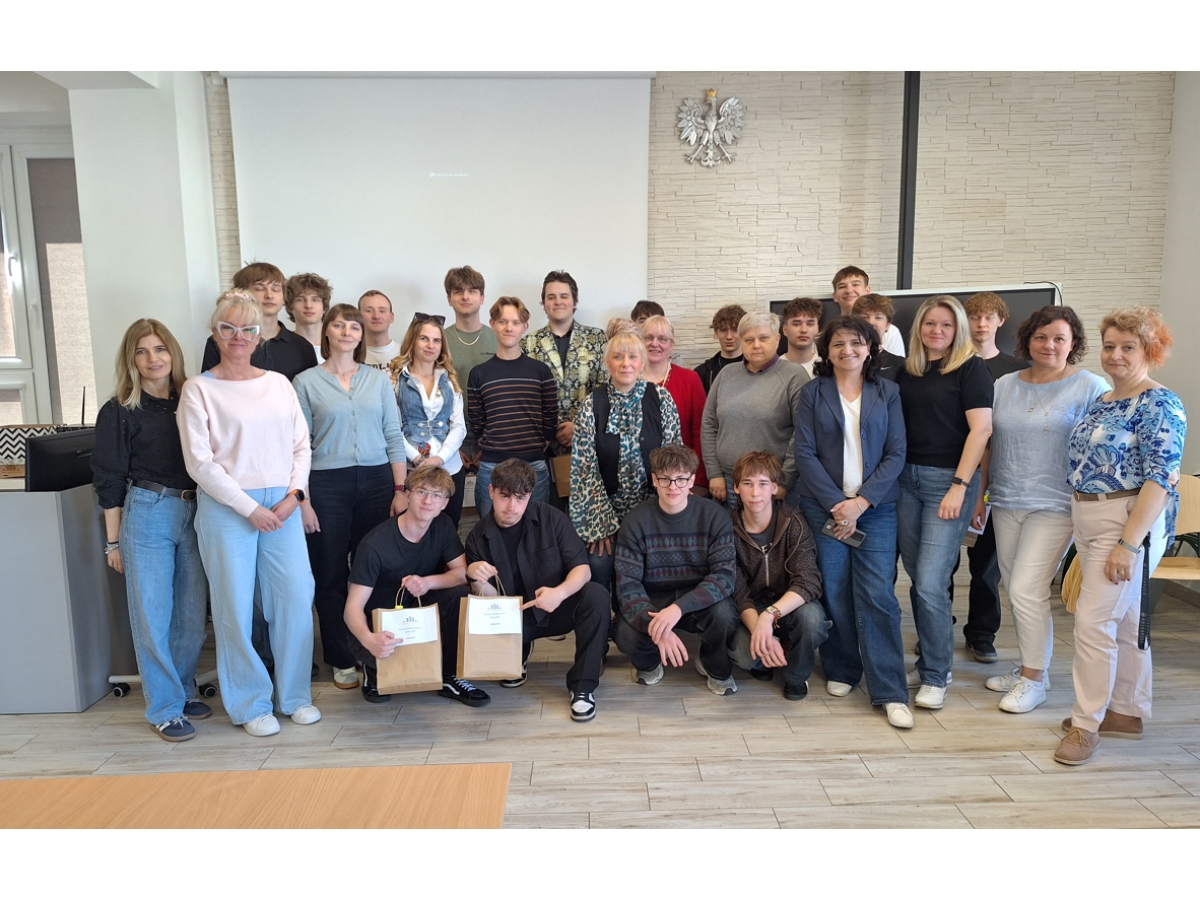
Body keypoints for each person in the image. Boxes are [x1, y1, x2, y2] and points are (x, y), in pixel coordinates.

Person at [178, 291, 320, 737]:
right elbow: (199, 464)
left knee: (295, 598)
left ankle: (294, 696)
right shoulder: (199, 389)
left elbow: (301, 445)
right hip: (228, 506)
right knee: (234, 606)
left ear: (260, 336)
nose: (238, 336)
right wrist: (249, 507)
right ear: (215, 333)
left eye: (248, 329)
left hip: (283, 503)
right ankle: (250, 704)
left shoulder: (278, 384)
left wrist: (295, 495)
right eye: (229, 328)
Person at [1055, 307, 1186, 766]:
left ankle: (1085, 725)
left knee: (1094, 623)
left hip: (1129, 521)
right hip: (1089, 516)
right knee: (1126, 621)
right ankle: (1126, 713)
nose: (1115, 355)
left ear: (1150, 350)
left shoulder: (1160, 403)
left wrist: (1129, 545)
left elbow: (1160, 478)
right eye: (1109, 346)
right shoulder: (1105, 400)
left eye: (1128, 347)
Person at [91, 319, 209, 742]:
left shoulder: (192, 399)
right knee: (153, 616)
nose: (152, 358)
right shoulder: (120, 410)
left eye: (159, 349)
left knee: (192, 618)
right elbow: (108, 480)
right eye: (141, 351)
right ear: (131, 360)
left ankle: (181, 689)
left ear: (172, 353)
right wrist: (112, 542)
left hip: (196, 510)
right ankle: (164, 708)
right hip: (148, 511)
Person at [985, 306, 1107, 713]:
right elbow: (987, 442)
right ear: (1027, 340)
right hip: (1006, 499)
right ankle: (1030, 667)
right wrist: (980, 497)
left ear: (1073, 344)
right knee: (1015, 588)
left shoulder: (1090, 386)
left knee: (1026, 588)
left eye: (1059, 338)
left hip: (1056, 503)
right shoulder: (1004, 384)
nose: (1049, 345)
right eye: (1041, 337)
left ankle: (1034, 681)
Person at [793, 316, 912, 729]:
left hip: (875, 510)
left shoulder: (888, 392)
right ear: (827, 351)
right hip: (823, 507)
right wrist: (836, 504)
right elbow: (804, 453)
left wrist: (859, 503)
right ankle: (843, 667)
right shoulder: (812, 392)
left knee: (878, 594)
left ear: (871, 348)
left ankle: (891, 690)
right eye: (838, 343)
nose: (848, 350)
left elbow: (896, 453)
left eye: (857, 343)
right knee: (836, 589)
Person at [292, 303, 407, 692]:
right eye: (339, 325)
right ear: (326, 331)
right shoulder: (305, 382)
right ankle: (341, 658)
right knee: (330, 573)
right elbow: (299, 447)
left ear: (361, 335)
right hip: (326, 485)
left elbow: (393, 436)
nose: (346, 332)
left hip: (377, 482)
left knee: (373, 569)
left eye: (353, 326)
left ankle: (372, 649)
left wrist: (400, 490)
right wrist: (303, 501)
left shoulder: (377, 380)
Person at [895, 295, 993, 710]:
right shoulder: (908, 370)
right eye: (930, 323)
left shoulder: (971, 368)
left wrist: (960, 485)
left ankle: (937, 674)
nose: (937, 331)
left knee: (932, 582)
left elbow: (981, 430)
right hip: (905, 482)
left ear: (959, 330)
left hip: (947, 484)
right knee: (918, 577)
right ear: (919, 327)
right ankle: (931, 660)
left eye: (947, 325)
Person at [465, 459, 609, 721]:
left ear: (529, 495)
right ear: (491, 491)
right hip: (515, 618)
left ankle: (583, 688)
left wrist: (560, 593)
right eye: (505, 496)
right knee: (474, 607)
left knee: (596, 595)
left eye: (520, 498)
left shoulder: (551, 518)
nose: (512, 506)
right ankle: (517, 653)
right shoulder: (477, 536)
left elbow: (583, 570)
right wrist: (475, 577)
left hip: (557, 607)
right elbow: (489, 602)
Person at [343, 466, 488, 707]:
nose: (428, 501)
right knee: (382, 675)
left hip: (419, 607)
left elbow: (462, 573)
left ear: (445, 503)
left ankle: (449, 675)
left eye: (436, 495)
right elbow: (352, 607)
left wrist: (428, 582)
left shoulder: (443, 525)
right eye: (421, 492)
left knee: (462, 595)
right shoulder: (374, 545)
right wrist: (369, 639)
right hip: (380, 619)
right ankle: (373, 669)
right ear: (408, 495)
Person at [614, 445, 740, 695]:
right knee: (624, 632)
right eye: (665, 479)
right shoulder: (635, 521)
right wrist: (658, 627)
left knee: (725, 614)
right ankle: (650, 662)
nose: (673, 487)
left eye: (681, 479)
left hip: (697, 597)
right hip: (653, 599)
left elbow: (724, 576)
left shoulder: (715, 516)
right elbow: (628, 586)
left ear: (692, 480)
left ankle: (712, 664)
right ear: (654, 480)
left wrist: (678, 608)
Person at [950, 291, 1031, 664]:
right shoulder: (951, 363)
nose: (981, 324)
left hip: (999, 480)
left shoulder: (1018, 371)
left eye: (989, 317)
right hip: (951, 475)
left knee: (986, 566)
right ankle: (938, 629)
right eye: (975, 317)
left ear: (1001, 321)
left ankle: (981, 634)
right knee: (942, 564)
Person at [569, 330, 681, 591]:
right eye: (618, 357)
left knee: (651, 570)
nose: (625, 363)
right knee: (598, 563)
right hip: (604, 510)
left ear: (642, 361)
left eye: (632, 357)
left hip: (652, 510)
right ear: (607, 362)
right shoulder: (591, 405)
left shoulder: (662, 399)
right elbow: (583, 469)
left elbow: (674, 461)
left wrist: (663, 514)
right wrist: (600, 525)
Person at [728, 451, 829, 702]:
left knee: (813, 620)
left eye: (763, 484)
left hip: (788, 604)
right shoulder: (727, 527)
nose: (755, 492)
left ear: (775, 487)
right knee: (744, 655)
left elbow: (808, 581)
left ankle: (796, 675)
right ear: (736, 487)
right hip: (750, 608)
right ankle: (768, 657)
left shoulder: (793, 522)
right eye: (747, 483)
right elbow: (736, 590)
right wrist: (760, 628)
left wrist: (770, 615)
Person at [701, 311, 809, 508]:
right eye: (749, 340)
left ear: (777, 339)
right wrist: (714, 473)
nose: (756, 345)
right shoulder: (726, 374)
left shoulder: (794, 375)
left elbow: (802, 432)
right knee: (730, 529)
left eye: (763, 338)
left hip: (772, 482)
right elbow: (709, 425)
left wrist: (785, 481)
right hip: (728, 481)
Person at [467, 297, 558, 516]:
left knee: (536, 525)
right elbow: (476, 418)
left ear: (525, 327)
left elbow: (550, 415)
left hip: (534, 464)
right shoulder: (479, 373)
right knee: (490, 527)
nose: (509, 328)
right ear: (492, 324)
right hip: (492, 465)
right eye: (503, 321)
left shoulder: (541, 371)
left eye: (516, 322)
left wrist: (541, 443)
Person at [522, 270, 609, 465]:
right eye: (551, 297)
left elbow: (606, 390)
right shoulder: (528, 343)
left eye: (564, 296)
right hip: (541, 447)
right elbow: (525, 395)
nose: (558, 302)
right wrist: (551, 428)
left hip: (589, 444)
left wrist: (578, 425)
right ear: (544, 303)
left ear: (574, 301)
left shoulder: (597, 339)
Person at [389, 312, 469, 526]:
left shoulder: (449, 379)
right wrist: (417, 459)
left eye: (436, 340)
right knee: (413, 530)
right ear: (413, 340)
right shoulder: (395, 380)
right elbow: (392, 429)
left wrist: (440, 458)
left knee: (448, 529)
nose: (430, 345)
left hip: (450, 469)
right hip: (411, 470)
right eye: (424, 338)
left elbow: (459, 426)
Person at [201, 262, 318, 381]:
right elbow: (210, 385)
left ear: (284, 297)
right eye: (260, 288)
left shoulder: (302, 346)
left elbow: (310, 389)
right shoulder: (224, 341)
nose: (269, 295)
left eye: (276, 289)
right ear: (243, 293)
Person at [639, 315, 708, 490]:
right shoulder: (627, 381)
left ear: (671, 345)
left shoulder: (690, 379)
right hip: (635, 480)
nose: (655, 344)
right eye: (649, 337)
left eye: (662, 339)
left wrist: (697, 480)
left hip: (679, 481)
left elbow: (700, 432)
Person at [442, 266, 497, 478]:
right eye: (458, 291)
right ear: (449, 299)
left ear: (482, 298)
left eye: (472, 291)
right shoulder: (437, 341)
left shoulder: (500, 339)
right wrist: (451, 447)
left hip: (493, 442)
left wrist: (493, 444)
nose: (465, 296)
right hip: (448, 442)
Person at [832, 266, 904, 356]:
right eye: (842, 286)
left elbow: (896, 363)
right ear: (835, 296)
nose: (849, 290)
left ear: (867, 290)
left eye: (856, 284)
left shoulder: (891, 332)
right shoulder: (829, 334)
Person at [852, 294, 906, 382]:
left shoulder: (900, 364)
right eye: (864, 317)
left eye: (878, 317)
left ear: (887, 325)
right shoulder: (845, 357)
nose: (871, 322)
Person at [693, 304, 747, 392]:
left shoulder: (756, 368)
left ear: (744, 332)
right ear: (716, 332)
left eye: (735, 330)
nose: (729, 337)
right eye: (723, 330)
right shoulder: (702, 373)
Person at [285, 272, 332, 364]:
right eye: (300, 299)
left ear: (324, 307)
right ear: (290, 307)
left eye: (315, 300)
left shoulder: (340, 345)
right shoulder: (280, 347)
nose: (308, 305)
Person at [780, 296, 823, 378]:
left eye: (810, 324)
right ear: (785, 330)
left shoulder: (828, 369)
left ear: (817, 329)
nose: (804, 330)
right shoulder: (773, 369)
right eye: (797, 324)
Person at [359, 290, 398, 369]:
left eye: (382, 311)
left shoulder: (406, 355)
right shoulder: (349, 355)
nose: (376, 316)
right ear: (358, 316)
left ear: (392, 317)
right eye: (369, 311)